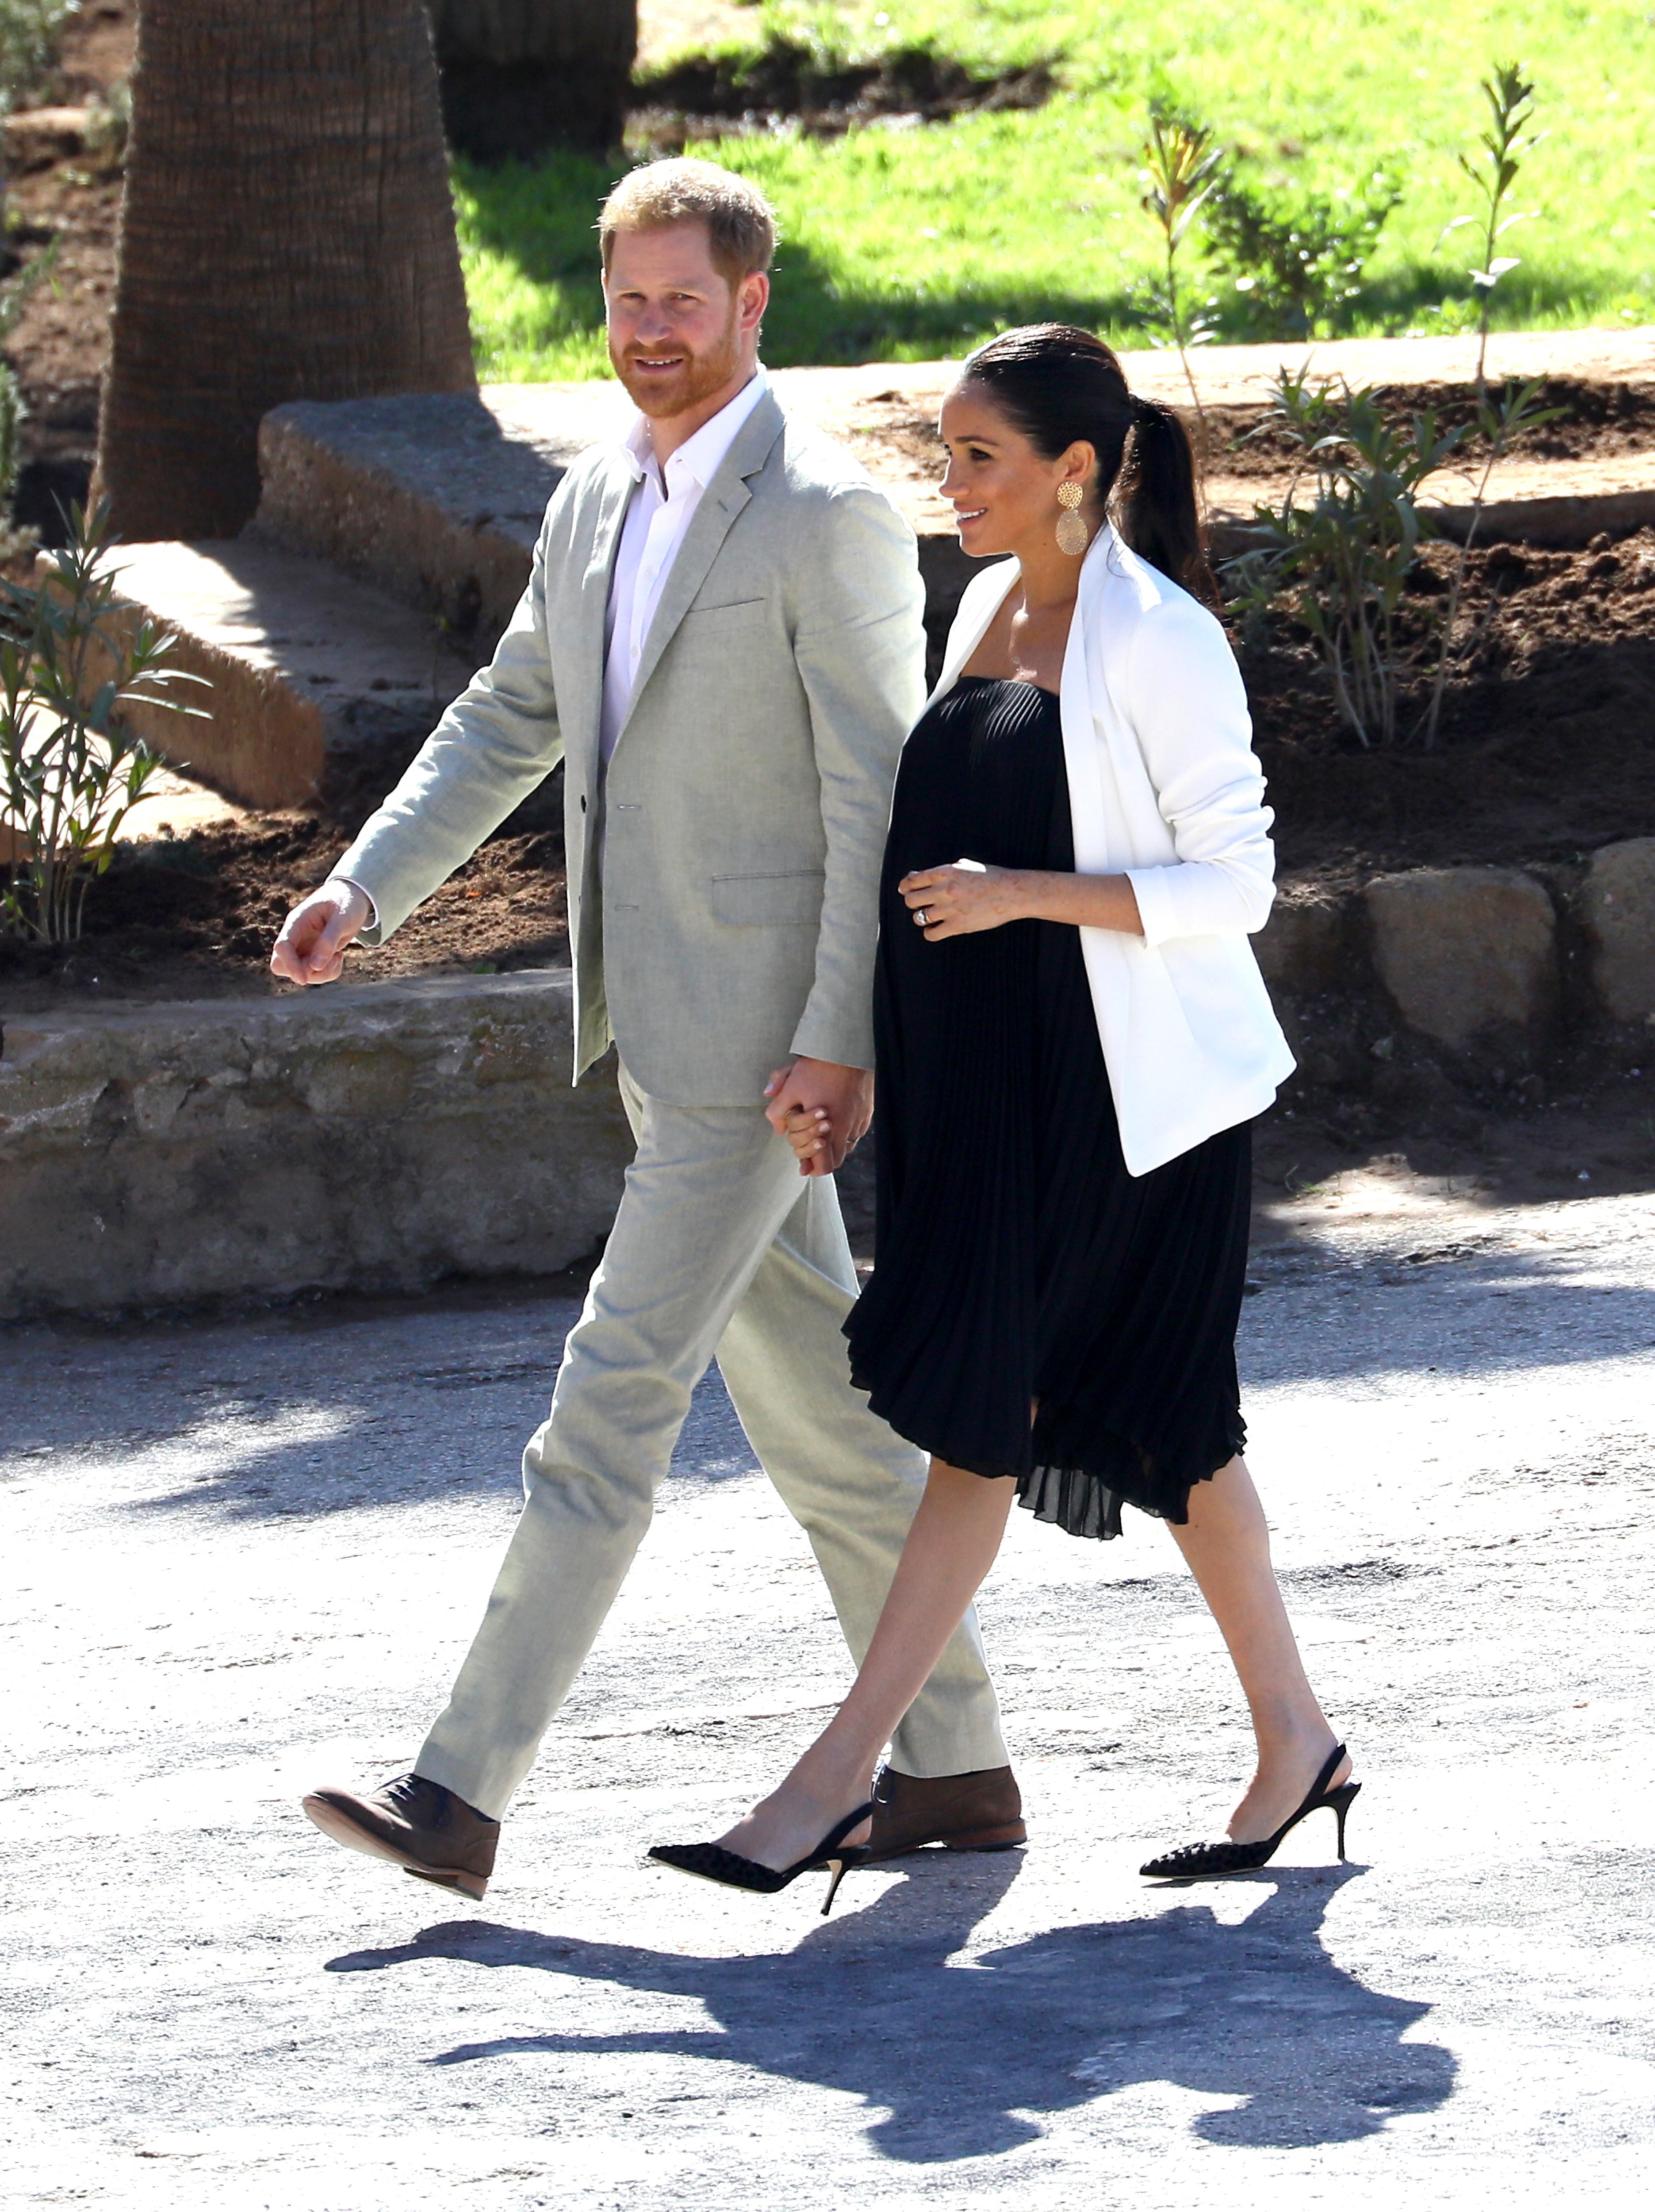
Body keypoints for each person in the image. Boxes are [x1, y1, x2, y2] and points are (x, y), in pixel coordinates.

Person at [270, 159, 1023, 1903]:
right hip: (661, 1028)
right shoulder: (598, 494)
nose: (654, 334)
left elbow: (880, 800)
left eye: (687, 301)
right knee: (835, 1424)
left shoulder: (824, 510)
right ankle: (958, 1761)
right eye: (629, 303)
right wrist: (368, 886)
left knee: (607, 1399)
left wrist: (843, 1042)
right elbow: (513, 706)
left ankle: (459, 1789)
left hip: (766, 1054)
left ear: (756, 305)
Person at [649, 325, 1359, 1912]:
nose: (947, 483)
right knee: (1173, 1431)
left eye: (978, 457)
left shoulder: (1158, 637)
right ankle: (1296, 1741)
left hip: (1122, 1109)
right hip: (985, 1101)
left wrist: (1021, 896)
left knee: (988, 1418)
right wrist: (866, 1069)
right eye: (946, 453)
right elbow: (920, 886)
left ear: (1077, 470)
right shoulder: (981, 609)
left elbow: (1235, 883)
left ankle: (835, 1785)